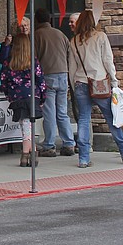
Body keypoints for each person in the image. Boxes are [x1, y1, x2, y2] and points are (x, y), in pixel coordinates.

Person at [70, 10, 123, 168]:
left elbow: (72, 68)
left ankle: (83, 158)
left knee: (83, 119)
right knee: (111, 118)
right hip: (99, 83)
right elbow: (108, 60)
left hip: (80, 82)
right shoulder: (100, 37)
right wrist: (114, 80)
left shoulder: (74, 41)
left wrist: (74, 87)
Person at [0, 23, 45, 167]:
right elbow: (41, 80)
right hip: (32, 95)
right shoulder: (33, 62)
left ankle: (29, 153)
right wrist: (42, 97)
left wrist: (9, 96)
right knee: (28, 124)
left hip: (16, 97)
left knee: (24, 124)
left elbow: (4, 81)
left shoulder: (8, 63)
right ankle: (29, 152)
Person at [34, 8, 76, 157]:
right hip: (63, 74)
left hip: (47, 75)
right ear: (49, 20)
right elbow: (69, 55)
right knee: (63, 112)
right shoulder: (60, 34)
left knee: (49, 112)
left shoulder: (36, 36)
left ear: (36, 20)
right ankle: (69, 143)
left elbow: (34, 59)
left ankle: (49, 145)